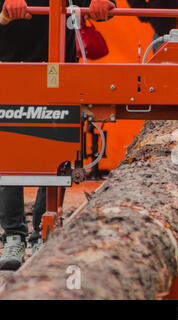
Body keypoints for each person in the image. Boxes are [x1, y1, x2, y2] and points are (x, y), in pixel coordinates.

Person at [0, 0, 115, 270]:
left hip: (57, 67)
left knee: (57, 148)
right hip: (9, 65)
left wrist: (101, 6)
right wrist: (4, 14)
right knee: (9, 152)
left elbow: (104, 8)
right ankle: (13, 236)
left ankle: (44, 233)